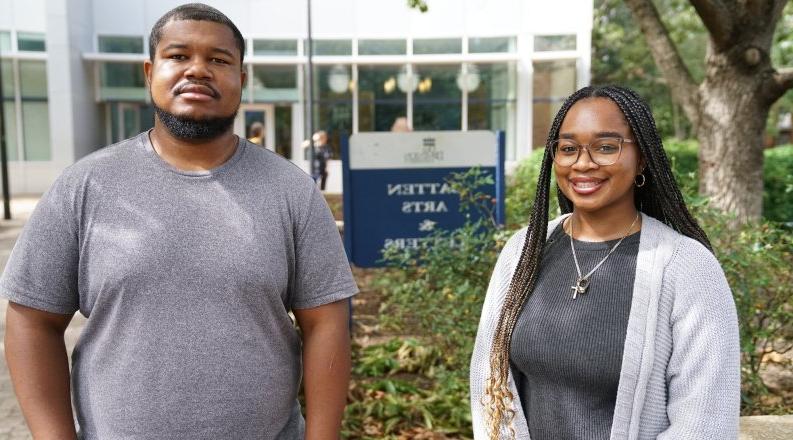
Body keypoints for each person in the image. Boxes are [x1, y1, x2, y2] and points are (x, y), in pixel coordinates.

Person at [1, 4, 357, 440]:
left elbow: (326, 323)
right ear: (150, 72)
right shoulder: (86, 186)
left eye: (219, 59)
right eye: (179, 56)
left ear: (242, 79)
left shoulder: (292, 191)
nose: (198, 70)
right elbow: (32, 317)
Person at [470, 85, 739, 439]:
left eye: (606, 147)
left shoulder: (686, 267)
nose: (583, 163)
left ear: (641, 157)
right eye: (568, 149)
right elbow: (489, 382)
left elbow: (706, 424)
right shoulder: (523, 250)